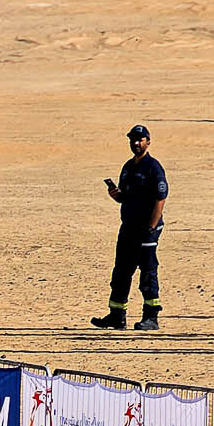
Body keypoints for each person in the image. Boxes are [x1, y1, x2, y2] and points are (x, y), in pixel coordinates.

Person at [93, 124, 167, 331]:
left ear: (148, 142)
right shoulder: (128, 167)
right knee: (121, 272)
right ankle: (116, 316)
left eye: (140, 140)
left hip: (146, 230)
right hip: (128, 227)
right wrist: (116, 195)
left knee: (147, 273)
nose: (136, 143)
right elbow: (125, 197)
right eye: (133, 140)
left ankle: (151, 317)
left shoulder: (153, 167)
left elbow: (161, 198)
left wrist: (152, 227)